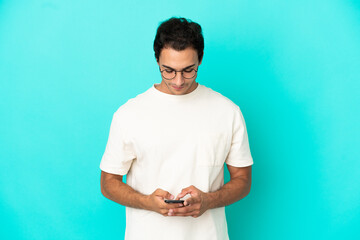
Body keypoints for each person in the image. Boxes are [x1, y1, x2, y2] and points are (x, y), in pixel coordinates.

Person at [99, 17, 253, 240]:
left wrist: (209, 200)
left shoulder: (227, 111)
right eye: (168, 70)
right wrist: (147, 202)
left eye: (188, 70)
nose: (178, 80)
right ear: (157, 61)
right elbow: (108, 183)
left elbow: (243, 180)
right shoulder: (129, 114)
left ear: (200, 59)